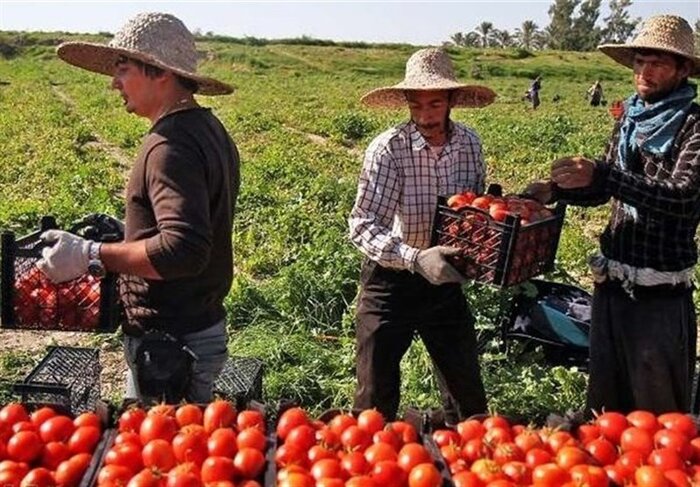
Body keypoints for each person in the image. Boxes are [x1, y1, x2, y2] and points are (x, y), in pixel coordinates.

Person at [37, 12, 240, 404]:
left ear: (159, 72)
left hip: (172, 346)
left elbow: (183, 249)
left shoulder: (171, 146)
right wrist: (131, 233)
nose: (114, 83)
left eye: (123, 69)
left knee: (167, 455)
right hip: (196, 326)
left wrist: (91, 254)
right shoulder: (209, 129)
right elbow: (196, 224)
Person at [525, 15, 700, 415]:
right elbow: (604, 188)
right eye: (640, 61)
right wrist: (559, 189)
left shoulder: (694, 126)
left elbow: (684, 198)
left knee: (657, 413)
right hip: (612, 285)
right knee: (606, 404)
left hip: (659, 292)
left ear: (683, 69)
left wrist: (606, 174)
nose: (644, 71)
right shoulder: (630, 120)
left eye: (657, 63)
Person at [349, 47, 496, 424]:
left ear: (450, 101)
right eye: (416, 106)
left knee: (467, 396)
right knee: (373, 400)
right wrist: (415, 258)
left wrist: (493, 216)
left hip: (445, 280)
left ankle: (467, 454)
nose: (425, 116)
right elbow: (363, 223)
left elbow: (472, 209)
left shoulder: (469, 144)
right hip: (391, 280)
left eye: (434, 104)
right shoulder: (388, 149)